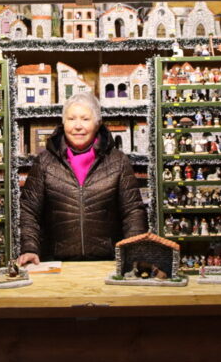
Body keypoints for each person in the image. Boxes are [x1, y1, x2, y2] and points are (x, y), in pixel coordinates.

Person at [18, 91, 147, 264]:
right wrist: (29, 248)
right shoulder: (44, 163)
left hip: (107, 262)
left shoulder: (118, 161)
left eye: (85, 119)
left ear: (97, 123)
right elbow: (29, 211)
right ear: (63, 123)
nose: (78, 126)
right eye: (71, 119)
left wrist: (135, 251)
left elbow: (133, 211)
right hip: (56, 263)